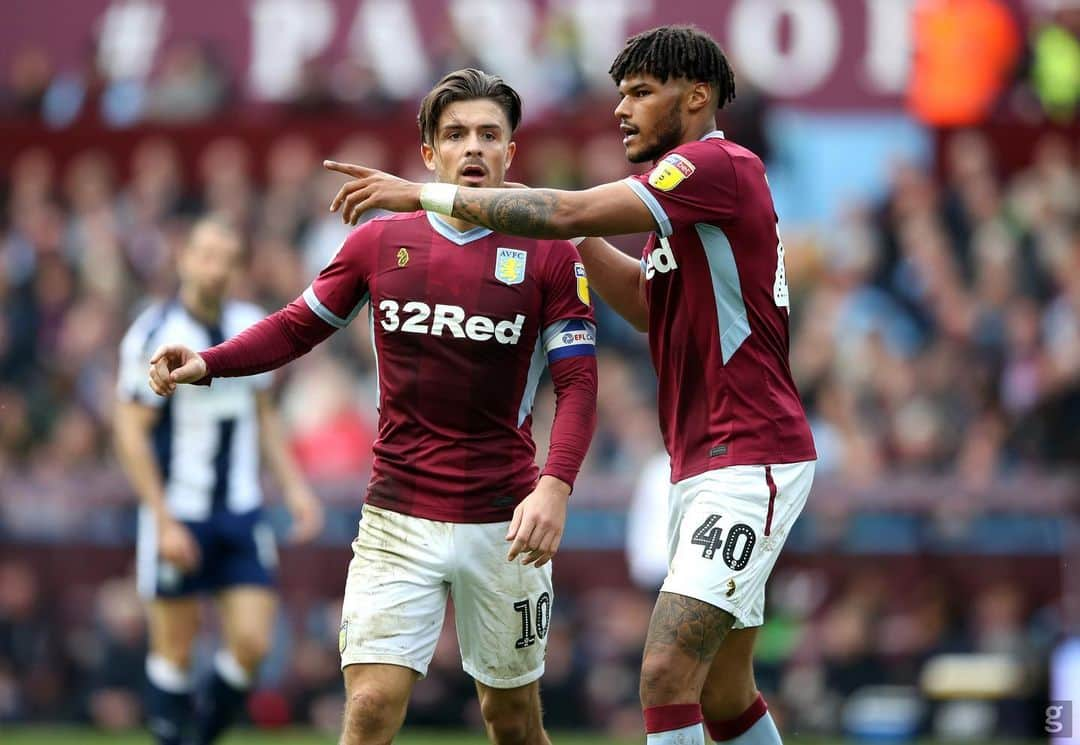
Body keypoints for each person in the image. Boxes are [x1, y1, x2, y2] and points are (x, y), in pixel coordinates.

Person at [321, 25, 817, 745]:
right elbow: (648, 307)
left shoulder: (714, 165)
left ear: (698, 96)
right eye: (621, 94)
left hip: (750, 458)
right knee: (722, 689)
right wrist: (572, 236)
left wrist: (422, 195)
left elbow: (565, 210)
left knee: (665, 669)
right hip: (704, 460)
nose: (622, 110)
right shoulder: (680, 206)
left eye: (642, 93)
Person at [145, 69, 598, 745]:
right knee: (368, 708)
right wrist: (209, 362)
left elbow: (578, 384)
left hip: (505, 523)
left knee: (512, 719)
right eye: (455, 134)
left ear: (511, 150)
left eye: (488, 134)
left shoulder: (549, 254)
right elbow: (298, 325)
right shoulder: (379, 244)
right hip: (398, 515)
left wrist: (555, 487)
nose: (472, 147)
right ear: (428, 153)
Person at [113, 217, 324, 745]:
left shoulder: (252, 324)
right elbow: (131, 434)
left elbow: (265, 417)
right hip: (177, 510)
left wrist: (296, 488)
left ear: (237, 268)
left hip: (240, 509)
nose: (215, 266)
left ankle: (200, 737)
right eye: (205, 253)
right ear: (184, 259)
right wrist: (161, 521)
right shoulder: (153, 333)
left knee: (253, 643)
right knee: (175, 649)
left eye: (227, 257)